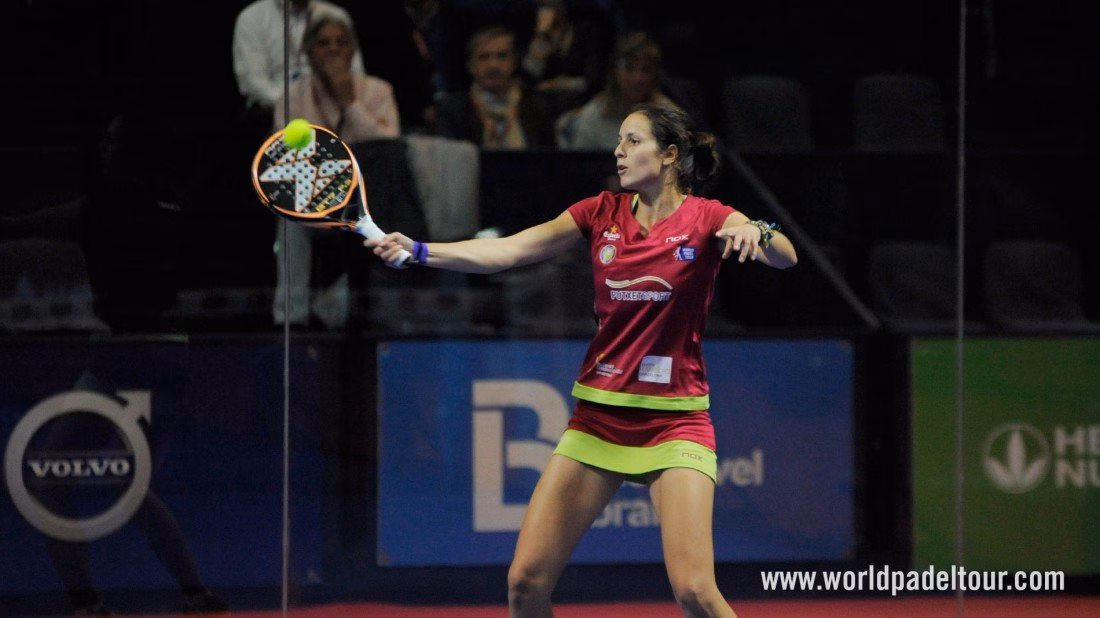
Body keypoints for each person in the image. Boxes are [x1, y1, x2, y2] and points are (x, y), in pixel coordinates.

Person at [368, 103, 797, 617]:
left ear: (669, 156)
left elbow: (785, 255)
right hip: (597, 420)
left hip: (676, 423)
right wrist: (419, 250)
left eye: (633, 140)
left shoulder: (707, 217)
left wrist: (760, 232)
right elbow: (509, 250)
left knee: (695, 591)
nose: (619, 150)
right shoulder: (600, 212)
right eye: (619, 140)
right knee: (525, 583)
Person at [271, 14, 402, 329]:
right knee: (287, 217)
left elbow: (389, 146)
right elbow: (283, 162)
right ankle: (292, 318)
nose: (332, 50)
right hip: (315, 196)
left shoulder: (377, 90)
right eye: (323, 43)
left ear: (353, 50)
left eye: (341, 43)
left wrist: (349, 103)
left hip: (372, 197)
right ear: (306, 51)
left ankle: (343, 312)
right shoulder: (291, 98)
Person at [434, 24, 557, 149]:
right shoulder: (453, 109)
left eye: (502, 56)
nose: (493, 65)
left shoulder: (537, 107)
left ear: (514, 62)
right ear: (470, 66)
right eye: (484, 57)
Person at [232, 0, 366, 115]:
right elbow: (253, 83)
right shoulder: (253, 18)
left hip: (335, 104)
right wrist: (297, 106)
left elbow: (357, 73)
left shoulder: (336, 15)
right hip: (274, 110)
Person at [556, 31, 681, 151]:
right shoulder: (593, 116)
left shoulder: (669, 117)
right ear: (615, 72)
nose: (638, 78)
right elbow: (581, 168)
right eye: (629, 68)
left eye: (646, 70)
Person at [518, 0, 615, 117]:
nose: (547, 10)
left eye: (551, 5)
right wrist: (542, 35)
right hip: (542, 108)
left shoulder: (588, 29)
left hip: (582, 105)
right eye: (542, 6)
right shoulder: (530, 30)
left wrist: (556, 84)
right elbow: (527, 80)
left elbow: (593, 81)